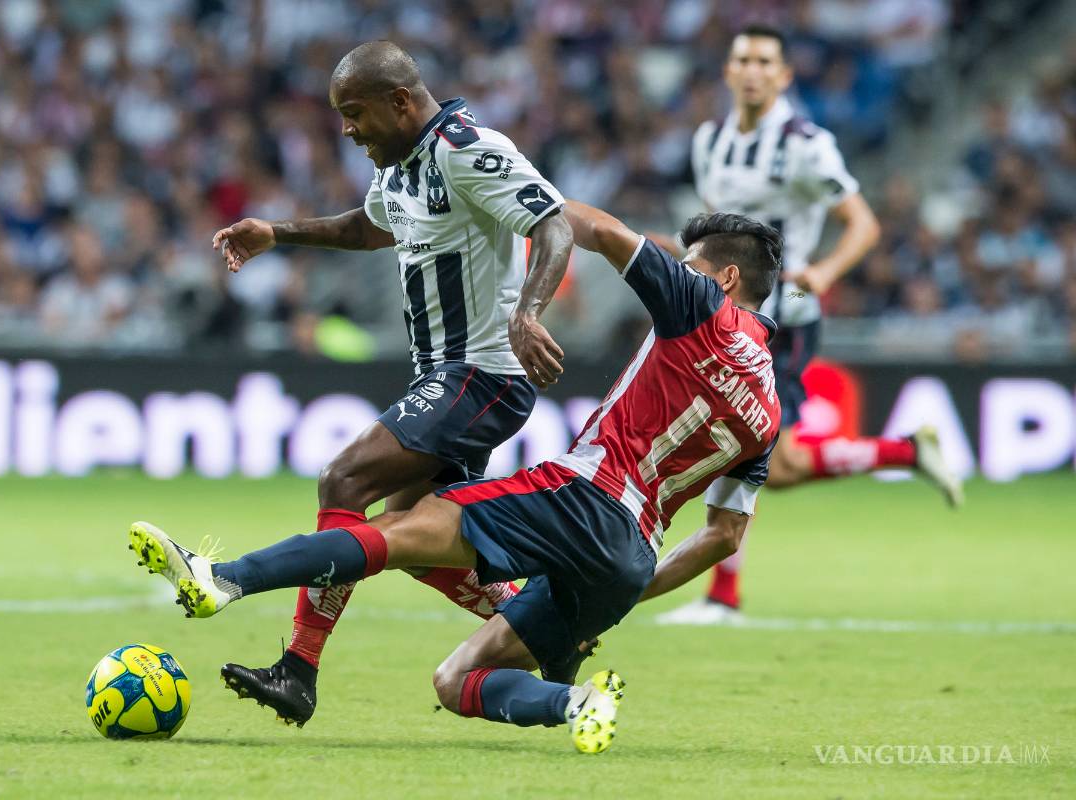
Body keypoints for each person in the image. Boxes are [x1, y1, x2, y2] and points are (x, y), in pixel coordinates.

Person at [126, 206, 783, 753]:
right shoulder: (770, 412)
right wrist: (635, 589)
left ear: (724, 278)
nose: (681, 267)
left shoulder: (702, 306)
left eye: (691, 262)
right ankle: (576, 702)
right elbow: (724, 537)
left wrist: (529, 208)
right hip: (632, 555)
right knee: (456, 678)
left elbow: (601, 230)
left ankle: (223, 579)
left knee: (398, 527)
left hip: (583, 496)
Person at [207, 41, 575, 726]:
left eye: (355, 114)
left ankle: (298, 670)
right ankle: (549, 628)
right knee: (405, 538)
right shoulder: (400, 166)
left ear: (401, 101)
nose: (347, 130)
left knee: (343, 480)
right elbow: (369, 227)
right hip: (445, 375)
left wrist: (528, 312)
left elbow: (553, 220)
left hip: (482, 372)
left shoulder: (466, 148)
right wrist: (277, 233)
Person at [654, 24, 962, 624]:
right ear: (727, 70)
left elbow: (863, 223)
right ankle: (905, 451)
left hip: (784, 320)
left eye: (764, 61)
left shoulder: (804, 143)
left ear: (784, 75)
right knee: (775, 460)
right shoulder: (709, 140)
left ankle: (721, 597)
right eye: (742, 57)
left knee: (746, 444)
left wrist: (823, 271)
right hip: (728, 317)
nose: (751, 69)